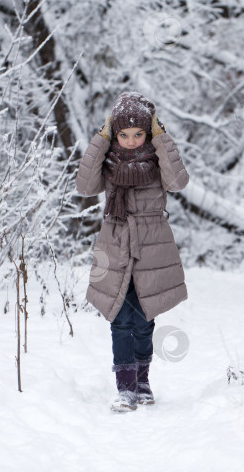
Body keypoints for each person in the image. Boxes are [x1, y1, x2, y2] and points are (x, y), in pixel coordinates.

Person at [76, 91, 189, 412]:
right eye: (122, 134)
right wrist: (101, 138)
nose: (129, 141)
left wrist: (161, 138)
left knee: (144, 320)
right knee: (120, 319)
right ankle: (125, 388)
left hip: (152, 244)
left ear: (148, 133)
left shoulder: (157, 161)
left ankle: (142, 380)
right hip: (114, 243)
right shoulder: (108, 162)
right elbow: (84, 187)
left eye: (138, 134)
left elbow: (179, 182)